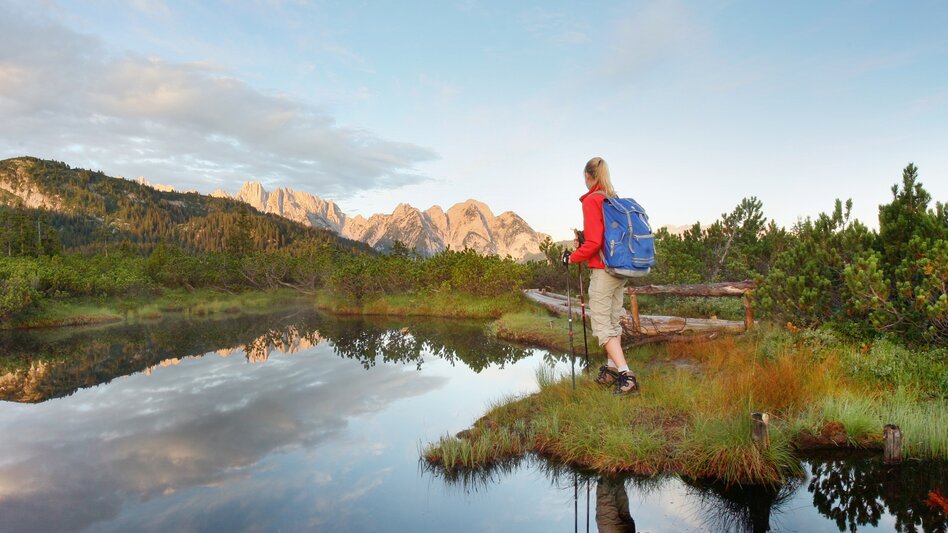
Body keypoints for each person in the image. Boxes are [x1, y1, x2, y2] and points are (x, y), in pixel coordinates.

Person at [564, 157, 639, 395]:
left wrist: (572, 257)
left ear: (588, 176)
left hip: (604, 271)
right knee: (612, 320)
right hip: (620, 269)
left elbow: (596, 243)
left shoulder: (592, 201)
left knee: (601, 325)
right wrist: (585, 239)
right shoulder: (611, 199)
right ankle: (611, 370)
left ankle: (627, 375)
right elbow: (603, 237)